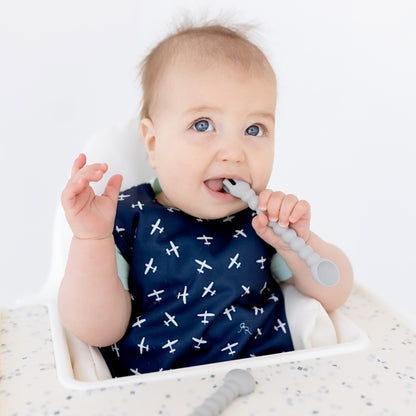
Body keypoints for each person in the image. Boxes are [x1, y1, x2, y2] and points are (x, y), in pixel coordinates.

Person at [58, 22, 353, 376]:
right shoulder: (125, 218)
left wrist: (298, 243)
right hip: (156, 394)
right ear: (153, 143)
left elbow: (337, 292)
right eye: (202, 124)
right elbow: (96, 331)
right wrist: (91, 239)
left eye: (254, 130)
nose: (233, 152)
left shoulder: (263, 220)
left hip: (269, 383)